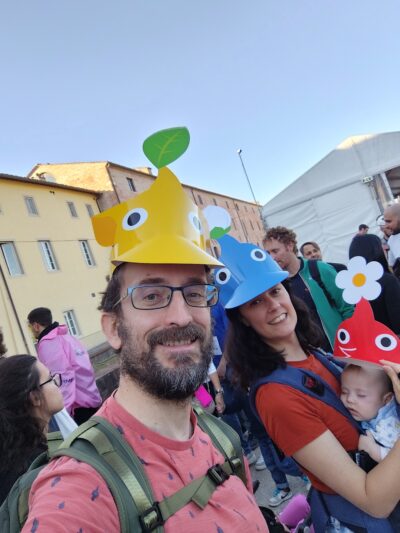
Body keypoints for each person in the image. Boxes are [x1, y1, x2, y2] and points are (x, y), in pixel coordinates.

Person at [22, 129, 268, 532]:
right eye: (152, 295)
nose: (181, 316)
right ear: (114, 328)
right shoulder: (83, 486)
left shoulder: (219, 435)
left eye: (194, 292)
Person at [216, 233, 400, 532]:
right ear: (243, 319)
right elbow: (374, 501)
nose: (273, 305)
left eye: (275, 291)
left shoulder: (316, 354)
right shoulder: (276, 396)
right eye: (256, 302)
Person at [263, 226, 353, 351]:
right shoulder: (278, 285)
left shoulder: (320, 269)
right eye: (268, 253)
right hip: (313, 355)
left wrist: (352, 341)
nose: (272, 257)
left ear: (289, 246)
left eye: (275, 251)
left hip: (342, 348)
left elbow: (348, 308)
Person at [0, 354, 64, 505]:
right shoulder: (38, 469)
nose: (57, 383)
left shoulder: (13, 453)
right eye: (50, 379)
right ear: (35, 398)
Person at [27, 307, 102, 424]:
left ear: (36, 326)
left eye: (30, 327)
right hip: (91, 397)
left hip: (77, 407)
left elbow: (61, 378)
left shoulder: (49, 343)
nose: (31, 331)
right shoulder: (65, 336)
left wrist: (63, 413)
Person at [341, 364, 400, 462]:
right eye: (344, 392)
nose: (350, 399)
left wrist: (374, 451)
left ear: (386, 399)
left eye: (361, 395)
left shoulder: (391, 424)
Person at [348, 234, 400, 333]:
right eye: (382, 246)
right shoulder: (387, 280)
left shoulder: (351, 285)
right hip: (390, 338)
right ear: (376, 251)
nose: (386, 249)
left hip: (369, 338)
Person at [384, 203, 400, 276]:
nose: (386, 226)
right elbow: (391, 265)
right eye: (385, 222)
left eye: (389, 221)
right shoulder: (391, 240)